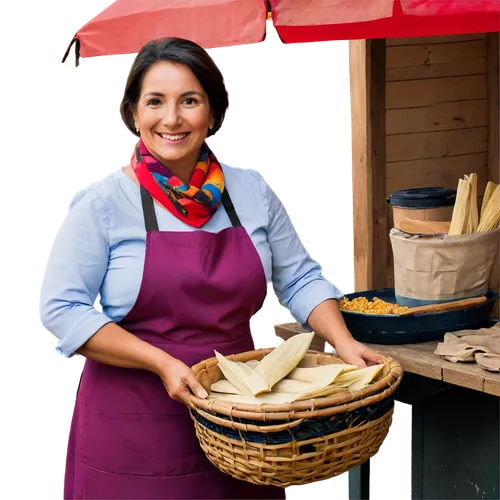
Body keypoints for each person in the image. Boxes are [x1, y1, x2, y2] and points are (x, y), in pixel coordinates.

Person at [39, 37, 383, 500]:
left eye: (190, 101)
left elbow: (300, 276)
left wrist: (343, 342)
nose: (172, 118)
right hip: (134, 425)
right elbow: (62, 310)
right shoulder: (102, 204)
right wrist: (161, 363)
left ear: (213, 112)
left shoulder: (250, 191)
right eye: (155, 101)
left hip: (241, 419)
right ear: (133, 113)